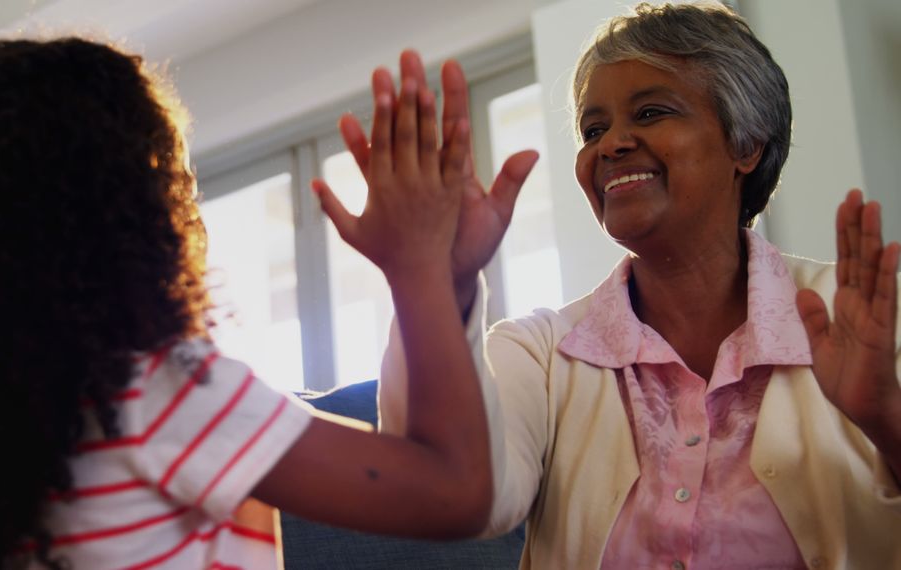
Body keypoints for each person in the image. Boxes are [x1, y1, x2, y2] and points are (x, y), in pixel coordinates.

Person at [0, 37, 507, 569]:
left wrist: (436, 283)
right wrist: (416, 264)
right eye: (174, 179)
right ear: (123, 213)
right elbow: (456, 492)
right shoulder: (161, 394)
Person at [337, 3, 901, 569]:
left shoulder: (864, 320)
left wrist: (883, 414)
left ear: (745, 143)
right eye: (594, 129)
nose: (611, 145)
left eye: (651, 112)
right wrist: (432, 282)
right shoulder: (541, 355)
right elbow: (452, 499)